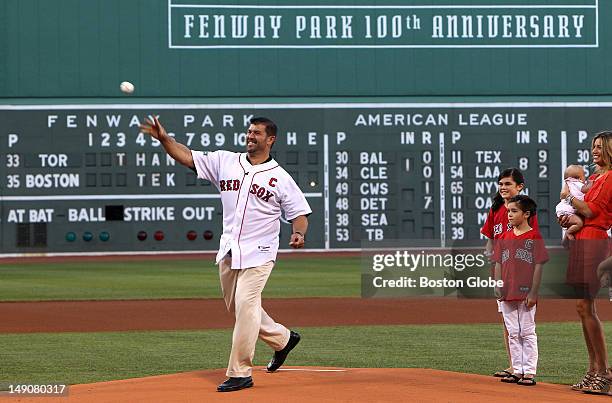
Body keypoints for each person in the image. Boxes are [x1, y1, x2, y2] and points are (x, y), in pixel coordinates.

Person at [139, 116, 312, 393]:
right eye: (249, 131)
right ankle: (283, 339)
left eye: (257, 133)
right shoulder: (225, 161)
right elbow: (187, 157)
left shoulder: (280, 177)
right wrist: (165, 139)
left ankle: (240, 372)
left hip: (262, 251)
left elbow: (299, 214)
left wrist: (299, 233)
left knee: (246, 304)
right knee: (240, 308)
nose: (250, 136)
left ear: (271, 140)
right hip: (230, 249)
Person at [559, 131, 612, 395]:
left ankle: (604, 373)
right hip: (583, 237)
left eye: (601, 147)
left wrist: (568, 198)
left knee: (586, 305)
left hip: (595, 239)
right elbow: (582, 213)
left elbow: (591, 212)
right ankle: (593, 370)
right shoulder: (593, 178)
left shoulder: (609, 177)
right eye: (594, 146)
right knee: (582, 307)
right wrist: (570, 220)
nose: (595, 151)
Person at [481, 168, 540, 379]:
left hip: (521, 273)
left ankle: (524, 368)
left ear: (519, 186)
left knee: (524, 325)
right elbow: (490, 236)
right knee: (508, 322)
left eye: (508, 184)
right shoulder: (496, 208)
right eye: (501, 184)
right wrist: (490, 250)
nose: (503, 187)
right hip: (502, 270)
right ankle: (514, 365)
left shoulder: (525, 210)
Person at [493, 195, 549, 386]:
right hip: (507, 291)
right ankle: (517, 370)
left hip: (525, 291)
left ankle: (530, 372)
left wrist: (534, 291)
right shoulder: (504, 236)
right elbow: (498, 262)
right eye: (508, 211)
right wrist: (498, 284)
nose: (509, 214)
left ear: (526, 214)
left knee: (527, 331)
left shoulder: (534, 236)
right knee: (513, 331)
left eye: (514, 211)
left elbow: (539, 265)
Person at [555, 164, 587, 239]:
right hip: (567, 211)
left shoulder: (568, 184)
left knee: (573, 223)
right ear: (579, 178)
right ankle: (568, 233)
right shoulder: (578, 184)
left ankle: (568, 233)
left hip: (562, 210)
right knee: (579, 223)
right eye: (584, 176)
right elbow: (586, 190)